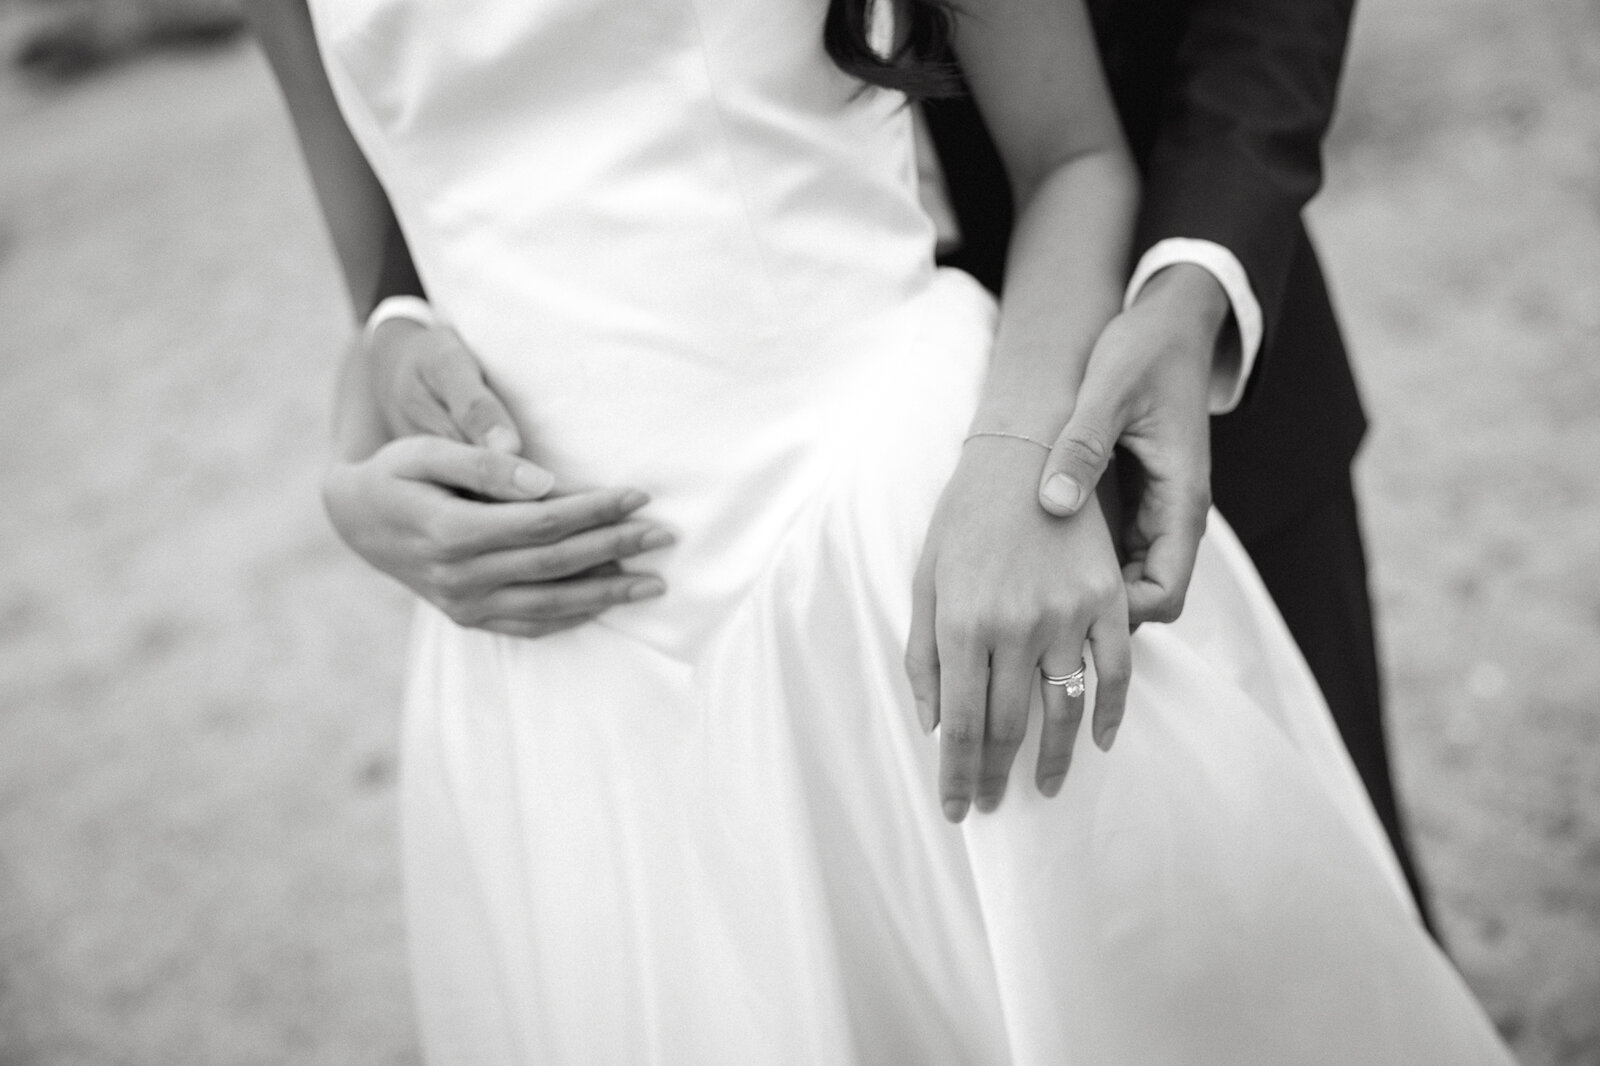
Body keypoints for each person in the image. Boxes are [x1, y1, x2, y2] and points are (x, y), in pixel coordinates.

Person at [247, 0, 1512, 1061]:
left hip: (908, 527)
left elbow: (1073, 148)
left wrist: (1026, 465)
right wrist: (354, 472)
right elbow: (386, 274)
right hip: (557, 641)